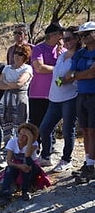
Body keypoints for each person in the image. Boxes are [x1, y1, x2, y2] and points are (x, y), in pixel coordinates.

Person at [39, 27, 80, 172]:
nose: (65, 41)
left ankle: (66, 159)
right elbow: (58, 76)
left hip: (70, 98)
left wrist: (67, 79)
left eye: (68, 39)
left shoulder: (78, 57)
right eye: (64, 39)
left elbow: (73, 77)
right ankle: (46, 156)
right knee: (45, 128)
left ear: (77, 39)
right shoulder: (62, 55)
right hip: (54, 98)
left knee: (68, 130)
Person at [66, 21, 95, 183]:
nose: (83, 37)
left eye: (87, 34)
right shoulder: (80, 53)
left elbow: (91, 74)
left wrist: (78, 75)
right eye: (81, 35)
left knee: (92, 131)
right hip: (82, 94)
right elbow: (71, 74)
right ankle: (88, 162)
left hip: (93, 95)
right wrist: (83, 74)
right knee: (85, 130)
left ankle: (92, 165)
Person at [0, 123, 49, 205]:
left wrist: (30, 139)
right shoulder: (12, 142)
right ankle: (5, 194)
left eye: (25, 135)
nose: (21, 137)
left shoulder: (34, 144)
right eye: (20, 134)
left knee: (27, 165)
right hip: (18, 164)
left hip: (32, 166)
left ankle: (25, 191)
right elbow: (9, 161)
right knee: (9, 169)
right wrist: (20, 166)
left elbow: (27, 156)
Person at [29, 22, 65, 130]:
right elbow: (39, 68)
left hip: (55, 94)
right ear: (52, 35)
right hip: (38, 94)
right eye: (60, 34)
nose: (62, 37)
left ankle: (50, 146)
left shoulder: (63, 51)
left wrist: (60, 57)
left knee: (51, 125)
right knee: (36, 124)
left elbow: (64, 71)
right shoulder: (38, 49)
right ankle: (35, 145)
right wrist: (57, 68)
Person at [0, 44, 33, 145]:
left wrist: (8, 83)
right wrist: (12, 85)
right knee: (6, 125)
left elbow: (19, 83)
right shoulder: (7, 68)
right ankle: (8, 148)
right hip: (6, 99)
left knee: (20, 126)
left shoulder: (27, 68)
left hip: (20, 99)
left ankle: (20, 149)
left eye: (20, 54)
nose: (17, 56)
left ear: (25, 56)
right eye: (16, 53)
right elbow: (0, 85)